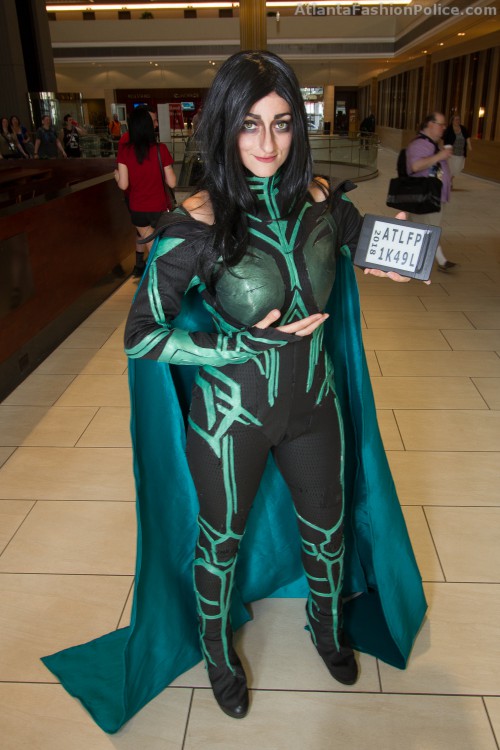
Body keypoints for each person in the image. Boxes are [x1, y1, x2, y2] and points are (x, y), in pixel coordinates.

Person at [42, 51, 427, 732]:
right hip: (230, 418)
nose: (267, 143)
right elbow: (141, 336)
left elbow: (364, 240)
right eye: (250, 124)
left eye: (281, 123)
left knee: (328, 531)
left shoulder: (321, 205)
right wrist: (237, 345)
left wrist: (398, 254)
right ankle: (219, 657)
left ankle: (326, 628)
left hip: (314, 406)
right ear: (224, 127)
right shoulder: (196, 222)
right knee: (219, 542)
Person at [114, 106, 176, 277]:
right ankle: (163, 278)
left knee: (152, 246)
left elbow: (123, 185)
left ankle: (158, 277)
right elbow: (172, 182)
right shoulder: (160, 149)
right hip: (159, 208)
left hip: (138, 210)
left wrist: (117, 175)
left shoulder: (125, 150)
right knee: (159, 247)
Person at [406, 112, 456, 272]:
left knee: (421, 228)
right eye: (441, 124)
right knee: (429, 229)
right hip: (427, 196)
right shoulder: (419, 144)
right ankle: (440, 261)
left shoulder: (431, 144)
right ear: (430, 124)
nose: (444, 128)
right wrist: (440, 155)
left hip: (431, 195)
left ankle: (411, 260)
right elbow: (415, 166)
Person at [443, 114, 472, 187]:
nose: (458, 121)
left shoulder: (463, 128)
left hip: (461, 152)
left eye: (459, 119)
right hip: (451, 152)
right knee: (450, 168)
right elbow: (443, 138)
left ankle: (449, 179)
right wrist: (443, 148)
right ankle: (449, 181)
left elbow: (467, 137)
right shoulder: (449, 129)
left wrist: (469, 145)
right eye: (456, 119)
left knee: (457, 169)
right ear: (452, 121)